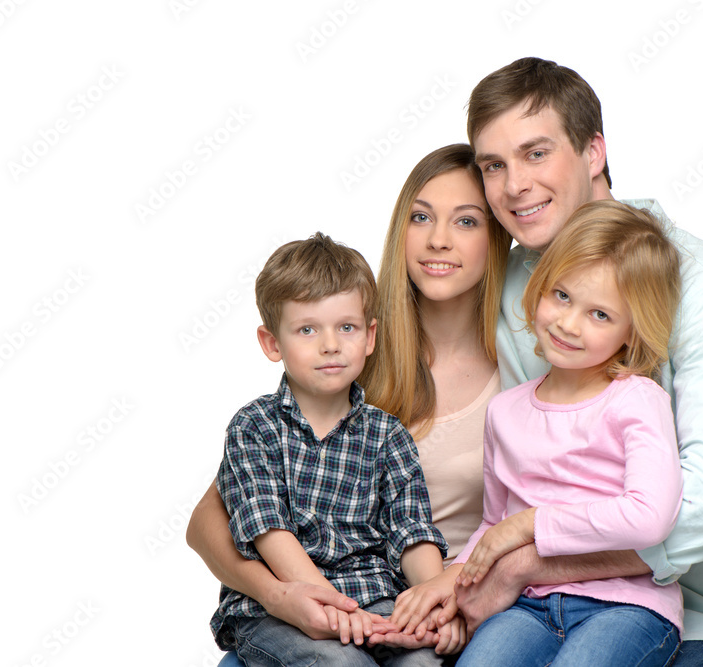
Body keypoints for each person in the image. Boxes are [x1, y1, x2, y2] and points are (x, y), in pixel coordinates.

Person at [405, 58, 703, 667]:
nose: (513, 186)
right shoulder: (512, 284)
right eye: (494, 166)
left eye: (536, 154)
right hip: (531, 608)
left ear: (593, 153)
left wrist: (527, 557)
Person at [188, 145, 512, 664]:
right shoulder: (346, 348)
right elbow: (214, 519)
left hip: (408, 597)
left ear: (497, 237)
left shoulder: (532, 356)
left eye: (467, 221)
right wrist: (284, 597)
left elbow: (415, 527)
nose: (439, 239)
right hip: (290, 603)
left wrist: (439, 600)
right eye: (421, 216)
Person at [447, 201, 684, 666]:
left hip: (625, 606)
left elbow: (649, 517)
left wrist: (531, 522)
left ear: (632, 332)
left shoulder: (637, 398)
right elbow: (494, 525)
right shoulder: (504, 411)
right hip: (527, 606)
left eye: (600, 315)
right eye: (561, 295)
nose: (568, 323)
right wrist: (453, 585)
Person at [211, 232, 451, 666]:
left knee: (425, 662)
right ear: (272, 343)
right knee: (342, 663)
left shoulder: (387, 434)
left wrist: (432, 600)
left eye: (346, 327)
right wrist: (335, 609)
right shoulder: (254, 427)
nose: (330, 344)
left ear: (370, 336)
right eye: (307, 329)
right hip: (280, 609)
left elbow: (410, 531)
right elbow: (269, 531)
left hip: (376, 600)